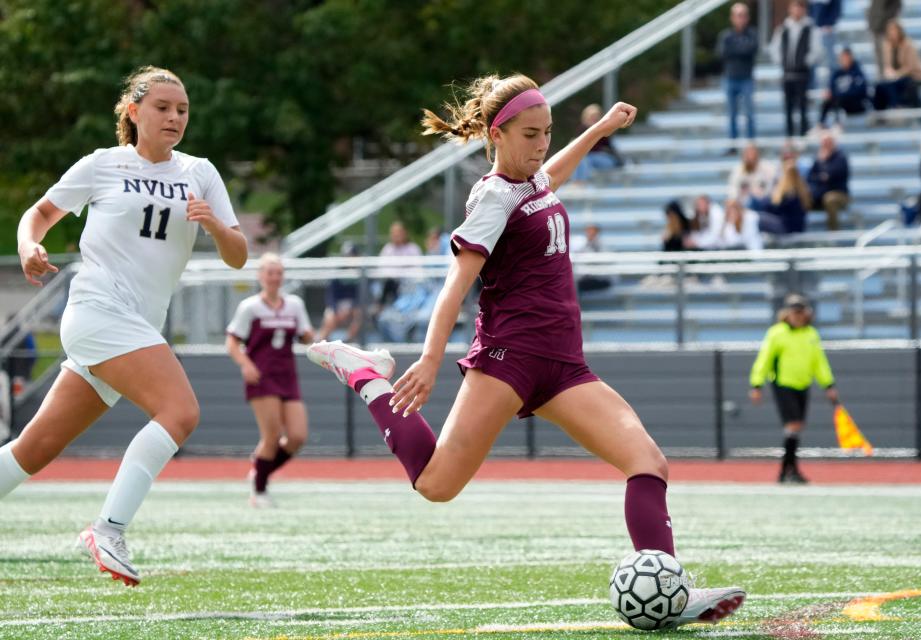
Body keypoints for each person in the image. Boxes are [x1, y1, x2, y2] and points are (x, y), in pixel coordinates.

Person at [306, 73, 746, 627]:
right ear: (499, 134)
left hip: (564, 365)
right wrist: (432, 357)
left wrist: (599, 130)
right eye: (531, 135)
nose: (541, 145)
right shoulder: (493, 196)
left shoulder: (532, 181)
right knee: (437, 485)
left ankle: (671, 597)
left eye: (547, 133)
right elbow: (454, 284)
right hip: (507, 359)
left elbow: (552, 175)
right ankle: (369, 377)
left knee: (647, 463)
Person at [1, 66, 247, 586]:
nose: (175, 117)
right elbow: (37, 215)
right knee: (180, 411)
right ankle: (108, 528)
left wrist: (217, 227)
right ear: (133, 112)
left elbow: (239, 256)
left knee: (35, 448)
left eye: (182, 109)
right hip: (95, 312)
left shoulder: (199, 172)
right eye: (162, 107)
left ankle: (105, 527)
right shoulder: (102, 164)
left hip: (135, 326)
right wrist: (29, 246)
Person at [226, 253, 314, 508]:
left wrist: (318, 334)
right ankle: (260, 491)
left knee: (298, 436)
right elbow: (232, 342)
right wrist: (245, 364)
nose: (275, 278)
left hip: (287, 375)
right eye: (269, 273)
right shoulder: (250, 307)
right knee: (272, 436)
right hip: (261, 377)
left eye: (278, 273)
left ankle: (258, 471)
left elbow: (306, 336)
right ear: (260, 276)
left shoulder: (294, 304)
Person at [750, 294, 838, 484]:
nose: (797, 316)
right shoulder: (777, 333)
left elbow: (819, 362)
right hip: (783, 384)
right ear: (787, 313)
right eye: (794, 312)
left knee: (797, 428)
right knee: (793, 425)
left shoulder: (811, 334)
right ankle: (788, 470)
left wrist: (828, 385)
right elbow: (764, 359)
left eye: (800, 312)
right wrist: (757, 384)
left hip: (803, 384)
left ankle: (788, 471)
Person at [770, 0, 824, 138]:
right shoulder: (783, 28)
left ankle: (803, 133)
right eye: (795, 7)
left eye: (800, 7)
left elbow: (816, 50)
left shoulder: (810, 28)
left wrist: (804, 62)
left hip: (802, 73)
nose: (797, 10)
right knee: (788, 106)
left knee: (803, 105)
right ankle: (789, 134)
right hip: (787, 73)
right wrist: (782, 62)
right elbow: (774, 48)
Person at [716, 3, 759, 146]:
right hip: (730, 77)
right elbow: (722, 53)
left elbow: (750, 50)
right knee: (732, 114)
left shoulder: (752, 34)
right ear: (732, 18)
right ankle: (733, 144)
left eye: (743, 16)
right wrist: (740, 49)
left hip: (746, 78)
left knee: (749, 113)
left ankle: (751, 146)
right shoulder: (725, 35)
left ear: (747, 17)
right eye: (737, 16)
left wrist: (734, 49)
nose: (740, 19)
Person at [873, 20, 921, 111]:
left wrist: (897, 74)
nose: (892, 33)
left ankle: (897, 108)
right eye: (890, 31)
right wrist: (888, 71)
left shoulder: (908, 44)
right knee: (880, 86)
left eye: (894, 30)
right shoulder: (887, 45)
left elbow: (911, 66)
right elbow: (887, 64)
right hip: (895, 77)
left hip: (911, 75)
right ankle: (880, 116)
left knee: (896, 85)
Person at [317, 241, 362, 342]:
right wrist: (336, 309)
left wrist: (350, 308)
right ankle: (320, 343)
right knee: (329, 317)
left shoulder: (362, 272)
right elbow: (330, 296)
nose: (350, 259)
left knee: (359, 315)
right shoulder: (338, 272)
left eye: (352, 256)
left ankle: (347, 342)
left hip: (354, 306)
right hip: (338, 305)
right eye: (347, 256)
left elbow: (362, 296)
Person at [375, 220, 422, 314]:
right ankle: (383, 309)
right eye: (394, 233)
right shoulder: (387, 249)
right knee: (386, 283)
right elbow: (381, 268)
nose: (396, 236)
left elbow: (417, 268)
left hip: (407, 284)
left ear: (404, 234)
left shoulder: (413, 248)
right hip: (391, 283)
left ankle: (381, 308)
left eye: (398, 233)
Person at [806, 132, 850, 230]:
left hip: (839, 193)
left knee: (830, 199)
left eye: (828, 142)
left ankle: (833, 231)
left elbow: (833, 175)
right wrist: (821, 176)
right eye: (823, 142)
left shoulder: (840, 158)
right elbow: (810, 177)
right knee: (802, 196)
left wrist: (823, 171)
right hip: (819, 192)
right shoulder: (818, 158)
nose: (825, 145)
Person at [818, 47, 870, 128]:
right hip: (839, 100)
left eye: (846, 58)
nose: (844, 60)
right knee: (827, 101)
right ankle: (821, 124)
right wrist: (832, 94)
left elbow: (860, 90)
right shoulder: (837, 73)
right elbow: (831, 87)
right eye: (843, 58)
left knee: (839, 100)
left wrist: (841, 94)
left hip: (855, 102)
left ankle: (838, 124)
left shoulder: (857, 72)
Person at [570, 104, 624, 182]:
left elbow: (609, 147)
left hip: (602, 157)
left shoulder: (604, 129)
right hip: (587, 158)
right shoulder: (582, 129)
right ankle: (578, 183)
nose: (594, 118)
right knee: (582, 160)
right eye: (592, 116)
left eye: (596, 116)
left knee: (584, 160)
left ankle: (579, 183)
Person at [768, 158, 813, 233]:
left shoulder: (788, 194)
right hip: (798, 226)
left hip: (786, 227)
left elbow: (776, 209)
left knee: (756, 218)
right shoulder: (803, 190)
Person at [727, 143, 778, 209]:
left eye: (752, 154)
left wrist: (762, 195)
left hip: (764, 202)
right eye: (748, 155)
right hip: (744, 205)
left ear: (757, 155)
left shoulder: (768, 168)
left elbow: (774, 186)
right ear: (743, 156)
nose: (750, 158)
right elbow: (732, 189)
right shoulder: (738, 170)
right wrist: (734, 198)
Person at [574, 224, 612, 293]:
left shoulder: (602, 246)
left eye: (592, 233)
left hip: (600, 279)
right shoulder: (583, 246)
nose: (590, 235)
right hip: (586, 278)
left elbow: (604, 264)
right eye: (588, 232)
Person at [867, 0, 901, 73]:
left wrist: (882, 22)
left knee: (889, 61)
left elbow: (896, 6)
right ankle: (883, 82)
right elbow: (874, 8)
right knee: (880, 62)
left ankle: (889, 82)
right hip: (876, 30)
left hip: (885, 31)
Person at [808, 0, 842, 71]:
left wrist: (829, 23)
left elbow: (836, 10)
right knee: (813, 58)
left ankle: (832, 79)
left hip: (827, 31)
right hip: (815, 31)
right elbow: (810, 10)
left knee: (831, 59)